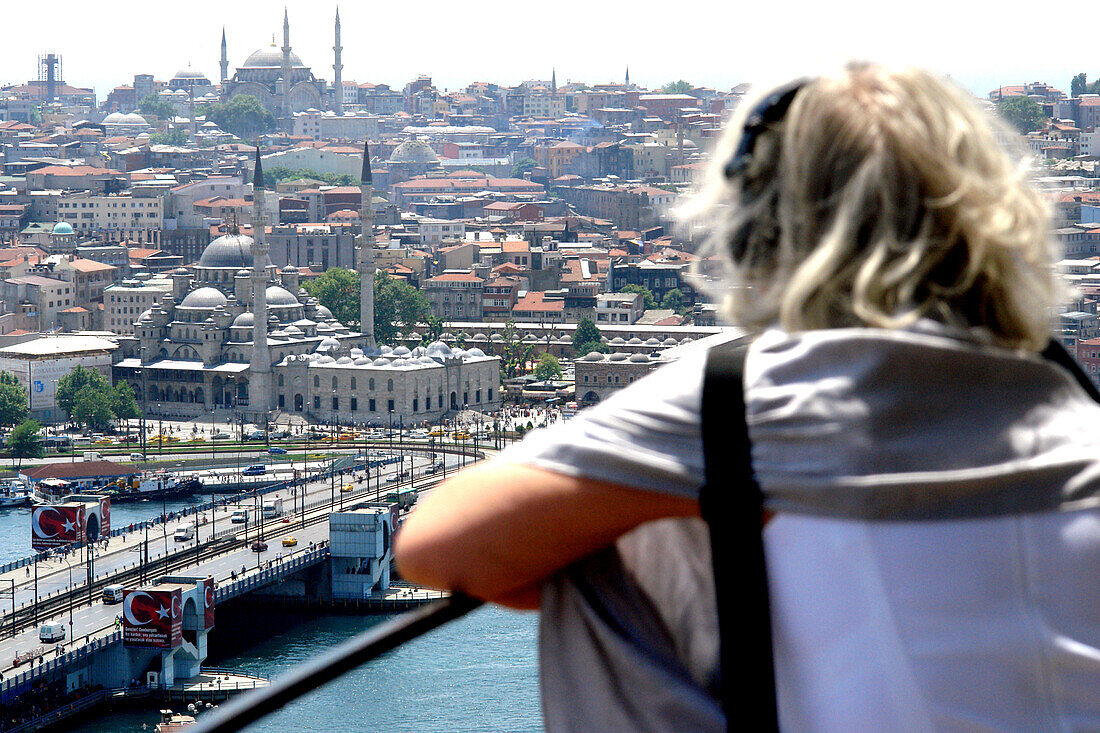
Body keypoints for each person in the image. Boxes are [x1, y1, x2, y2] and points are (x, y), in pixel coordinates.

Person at [396, 62, 1100, 732]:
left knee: (598, 553)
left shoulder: (756, 400)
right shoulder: (1072, 401)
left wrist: (728, 495)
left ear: (759, 232)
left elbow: (437, 547)